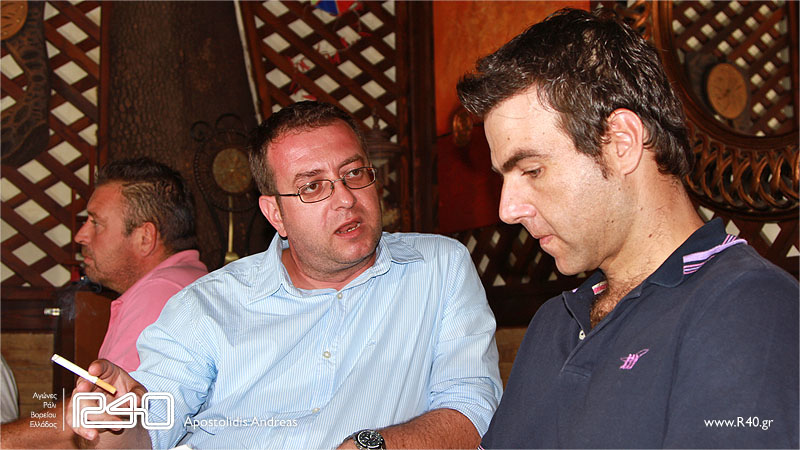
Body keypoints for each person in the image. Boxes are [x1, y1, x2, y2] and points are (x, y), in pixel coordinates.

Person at [68, 101, 502, 449]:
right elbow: (147, 432)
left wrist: (374, 445)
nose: (346, 199)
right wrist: (117, 418)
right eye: (312, 186)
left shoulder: (437, 268)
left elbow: (472, 407)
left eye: (353, 173)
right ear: (275, 213)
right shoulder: (207, 306)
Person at [457, 7, 798, 449]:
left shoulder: (749, 306)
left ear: (621, 142)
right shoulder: (555, 322)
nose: (507, 210)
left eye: (533, 170)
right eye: (503, 178)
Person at [1, 157, 208, 448]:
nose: (80, 235)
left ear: (145, 237)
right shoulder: (186, 281)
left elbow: (104, 421)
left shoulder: (159, 296)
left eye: (96, 222)